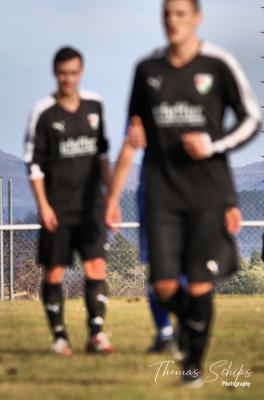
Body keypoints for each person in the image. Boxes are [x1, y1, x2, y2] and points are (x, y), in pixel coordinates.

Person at [106, 0, 261, 388]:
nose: (172, 21)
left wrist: (212, 145)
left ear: (197, 18)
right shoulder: (147, 70)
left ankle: (192, 366)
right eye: (166, 14)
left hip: (207, 193)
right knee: (164, 285)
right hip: (161, 194)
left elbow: (253, 119)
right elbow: (134, 131)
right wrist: (116, 185)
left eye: (180, 14)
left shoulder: (217, 64)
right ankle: (193, 321)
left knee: (200, 281)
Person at [24, 46, 113, 356]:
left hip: (91, 207)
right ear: (55, 73)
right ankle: (60, 337)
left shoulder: (95, 106)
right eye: (63, 73)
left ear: (81, 72)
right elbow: (33, 165)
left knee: (96, 266)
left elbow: (103, 156)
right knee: (54, 272)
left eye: (74, 73)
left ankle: (97, 335)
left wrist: (111, 198)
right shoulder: (44, 113)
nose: (68, 79)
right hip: (58, 208)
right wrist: (43, 205)